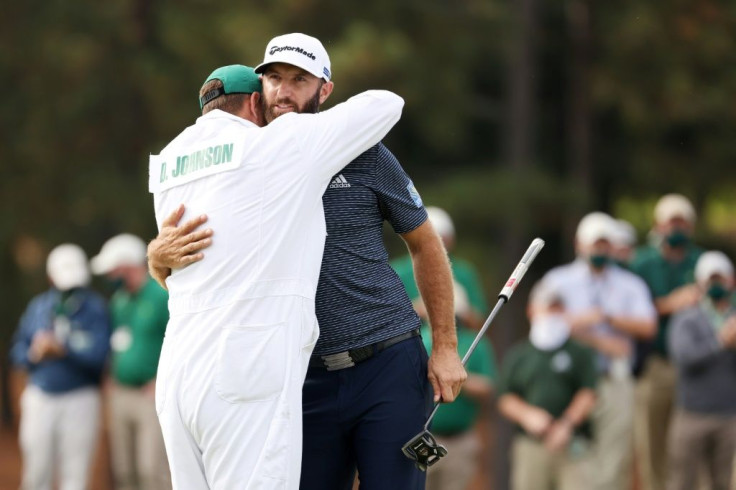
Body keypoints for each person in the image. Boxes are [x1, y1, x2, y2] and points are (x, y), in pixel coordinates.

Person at [147, 33, 466, 490]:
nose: (284, 90)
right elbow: (201, 268)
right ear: (257, 92)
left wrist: (446, 345)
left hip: (385, 362)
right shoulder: (236, 161)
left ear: (325, 90)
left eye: (300, 79)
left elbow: (425, 244)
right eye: (273, 78)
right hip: (297, 379)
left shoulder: (365, 152)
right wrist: (156, 256)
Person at [543, 212, 657, 490]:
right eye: (595, 244)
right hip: (571, 382)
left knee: (613, 462)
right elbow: (541, 317)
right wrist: (593, 334)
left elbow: (648, 326)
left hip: (613, 379)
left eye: (605, 244)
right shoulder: (559, 280)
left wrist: (606, 318)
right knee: (571, 461)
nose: (600, 250)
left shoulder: (630, 284)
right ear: (579, 244)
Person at [391, 205, 496, 490]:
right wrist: (422, 309)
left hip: (459, 431)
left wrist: (447, 312)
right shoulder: (399, 269)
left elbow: (477, 318)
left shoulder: (463, 272)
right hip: (413, 420)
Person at [9, 244, 111, 490]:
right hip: (41, 397)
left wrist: (65, 349)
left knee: (75, 476)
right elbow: (17, 352)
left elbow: (100, 356)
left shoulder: (95, 308)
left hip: (80, 399)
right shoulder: (38, 307)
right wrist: (36, 352)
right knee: (37, 472)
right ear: (51, 277)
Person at [630, 193, 703, 490]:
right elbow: (631, 310)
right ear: (658, 225)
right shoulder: (642, 262)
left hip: (697, 367)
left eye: (682, 223)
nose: (676, 229)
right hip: (655, 363)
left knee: (692, 443)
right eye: (671, 222)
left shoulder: (701, 262)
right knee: (652, 443)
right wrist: (667, 305)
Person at [90, 233, 171, 490]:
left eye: (114, 270)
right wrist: (110, 377)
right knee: (124, 471)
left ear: (127, 266)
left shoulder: (160, 295)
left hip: (150, 394)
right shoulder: (120, 300)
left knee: (151, 471)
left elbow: (176, 343)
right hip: (120, 394)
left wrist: (161, 380)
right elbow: (118, 342)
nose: (111, 277)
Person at [498, 281, 597, 490]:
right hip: (531, 445)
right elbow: (505, 397)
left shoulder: (580, 352)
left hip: (572, 443)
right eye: (547, 307)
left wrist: (566, 424)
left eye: (557, 308)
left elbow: (588, 392)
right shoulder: (519, 355)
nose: (552, 313)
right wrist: (527, 415)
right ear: (531, 311)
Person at [667, 251, 736, 490]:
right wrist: (721, 343)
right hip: (692, 414)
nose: (716, 285)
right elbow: (685, 358)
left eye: (720, 279)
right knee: (682, 481)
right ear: (700, 284)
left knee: (722, 482)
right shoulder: (687, 319)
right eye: (711, 280)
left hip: (729, 415)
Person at [392, 206, 489, 330]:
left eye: (443, 238)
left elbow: (480, 322)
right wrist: (419, 309)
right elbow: (388, 321)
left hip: (462, 341)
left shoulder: (464, 272)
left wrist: (462, 310)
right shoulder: (398, 272)